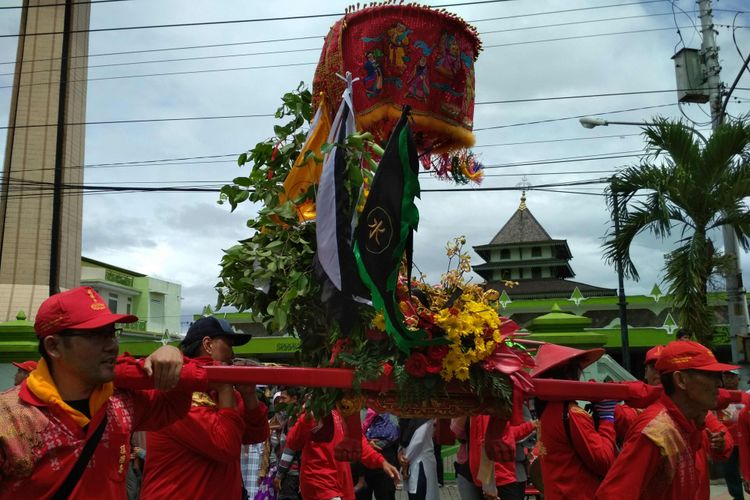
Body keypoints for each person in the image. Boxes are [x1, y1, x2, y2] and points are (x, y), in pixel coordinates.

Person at [0, 286, 195, 499]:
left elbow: (171, 406)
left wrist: (175, 355)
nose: (112, 345)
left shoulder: (120, 402)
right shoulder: (9, 417)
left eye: (112, 334)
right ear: (54, 346)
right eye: (96, 335)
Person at [140, 316, 270, 499]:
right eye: (229, 345)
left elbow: (256, 434)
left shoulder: (223, 392)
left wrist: (249, 394)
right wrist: (225, 386)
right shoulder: (179, 387)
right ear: (208, 345)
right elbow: (226, 446)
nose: (233, 355)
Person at [596, 340, 739, 499]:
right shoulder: (656, 432)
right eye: (710, 375)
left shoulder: (689, 420)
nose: (719, 383)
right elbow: (614, 495)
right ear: (681, 380)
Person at [531, 343, 617, 500]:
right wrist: (607, 420)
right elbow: (604, 462)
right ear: (568, 373)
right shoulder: (574, 414)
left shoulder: (547, 410)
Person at [281, 409, 400, 500]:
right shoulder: (314, 410)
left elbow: (359, 444)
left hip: (340, 485)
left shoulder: (344, 411)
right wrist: (306, 418)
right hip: (319, 484)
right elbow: (292, 443)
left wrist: (382, 462)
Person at [719, 370, 745, 500]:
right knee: (730, 472)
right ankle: (738, 497)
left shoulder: (746, 397)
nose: (729, 379)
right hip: (727, 441)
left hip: (746, 440)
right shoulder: (717, 397)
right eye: (726, 377)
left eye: (732, 377)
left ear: (738, 379)